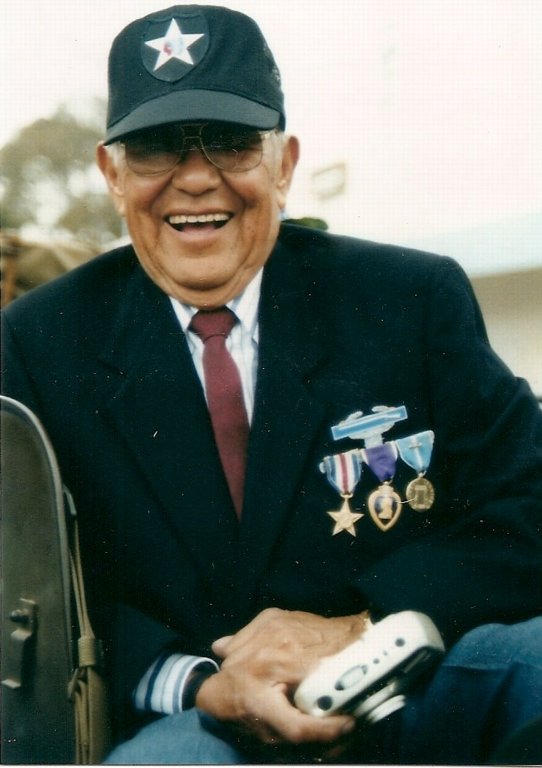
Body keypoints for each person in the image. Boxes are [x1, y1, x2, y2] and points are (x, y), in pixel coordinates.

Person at [2, 4, 541, 764]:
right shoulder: (37, 341)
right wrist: (200, 684)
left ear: (283, 165)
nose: (196, 179)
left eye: (230, 143)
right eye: (155, 148)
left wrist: (367, 626)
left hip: (407, 673)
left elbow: (527, 503)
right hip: (196, 719)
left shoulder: (408, 298)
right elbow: (26, 595)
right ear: (113, 175)